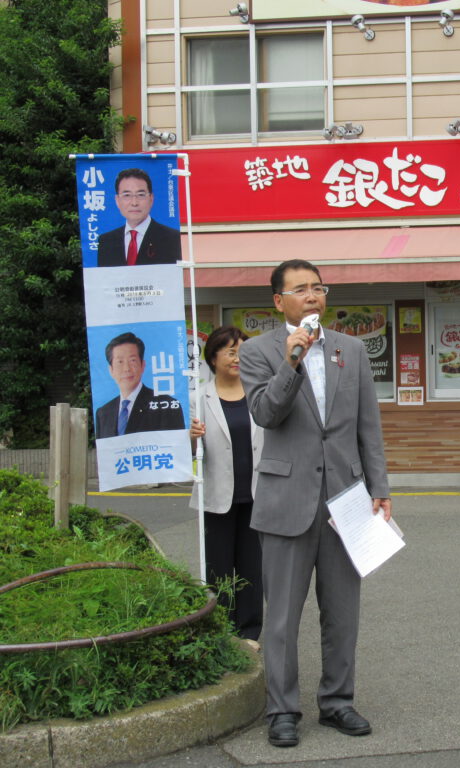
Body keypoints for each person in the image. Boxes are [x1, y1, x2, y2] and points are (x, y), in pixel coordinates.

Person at [239, 259, 391, 749]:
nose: (312, 296)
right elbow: (266, 412)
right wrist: (292, 361)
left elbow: (368, 424)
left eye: (318, 288)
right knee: (281, 616)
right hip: (286, 500)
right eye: (300, 289)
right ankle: (283, 710)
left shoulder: (352, 350)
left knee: (342, 611)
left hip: (346, 498)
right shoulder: (259, 351)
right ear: (278, 301)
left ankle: (338, 702)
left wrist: (380, 487)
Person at [189, 326, 264, 641]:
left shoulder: (260, 393)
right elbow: (188, 457)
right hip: (217, 497)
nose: (238, 358)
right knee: (218, 569)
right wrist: (190, 439)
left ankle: (248, 634)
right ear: (214, 356)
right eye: (231, 351)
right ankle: (221, 631)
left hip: (258, 496)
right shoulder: (198, 399)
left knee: (252, 571)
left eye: (243, 352)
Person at [95, 332, 185, 438]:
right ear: (111, 370)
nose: (126, 369)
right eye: (120, 362)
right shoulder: (103, 413)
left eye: (132, 360)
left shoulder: (166, 405)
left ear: (142, 365)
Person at [96, 168, 181, 267]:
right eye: (127, 195)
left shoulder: (172, 238)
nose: (134, 203)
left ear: (151, 198)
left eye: (140, 195)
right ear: (117, 200)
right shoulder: (106, 241)